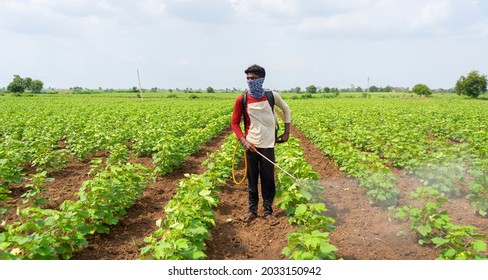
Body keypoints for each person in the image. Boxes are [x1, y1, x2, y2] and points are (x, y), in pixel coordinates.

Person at [231, 64, 291, 225]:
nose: (250, 81)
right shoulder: (242, 99)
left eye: (254, 78)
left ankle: (267, 211)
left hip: (268, 144)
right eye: (248, 78)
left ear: (262, 80)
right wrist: (244, 141)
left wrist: (287, 132)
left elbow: (286, 109)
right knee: (252, 179)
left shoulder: (271, 96)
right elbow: (234, 123)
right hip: (251, 145)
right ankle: (251, 210)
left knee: (268, 179)